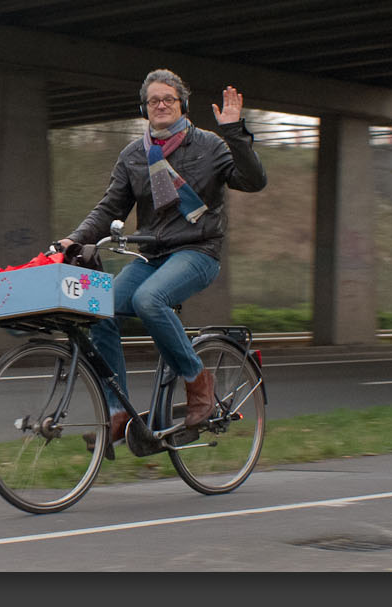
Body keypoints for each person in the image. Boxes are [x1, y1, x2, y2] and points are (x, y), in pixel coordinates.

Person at [58, 68, 267, 447]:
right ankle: (117, 411)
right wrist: (73, 239)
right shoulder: (134, 156)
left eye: (169, 98)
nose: (162, 105)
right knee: (98, 307)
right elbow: (109, 208)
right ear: (145, 109)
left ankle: (197, 380)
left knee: (148, 299)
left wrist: (235, 133)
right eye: (154, 100)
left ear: (183, 105)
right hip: (154, 255)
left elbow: (253, 181)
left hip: (198, 252)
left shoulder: (210, 146)